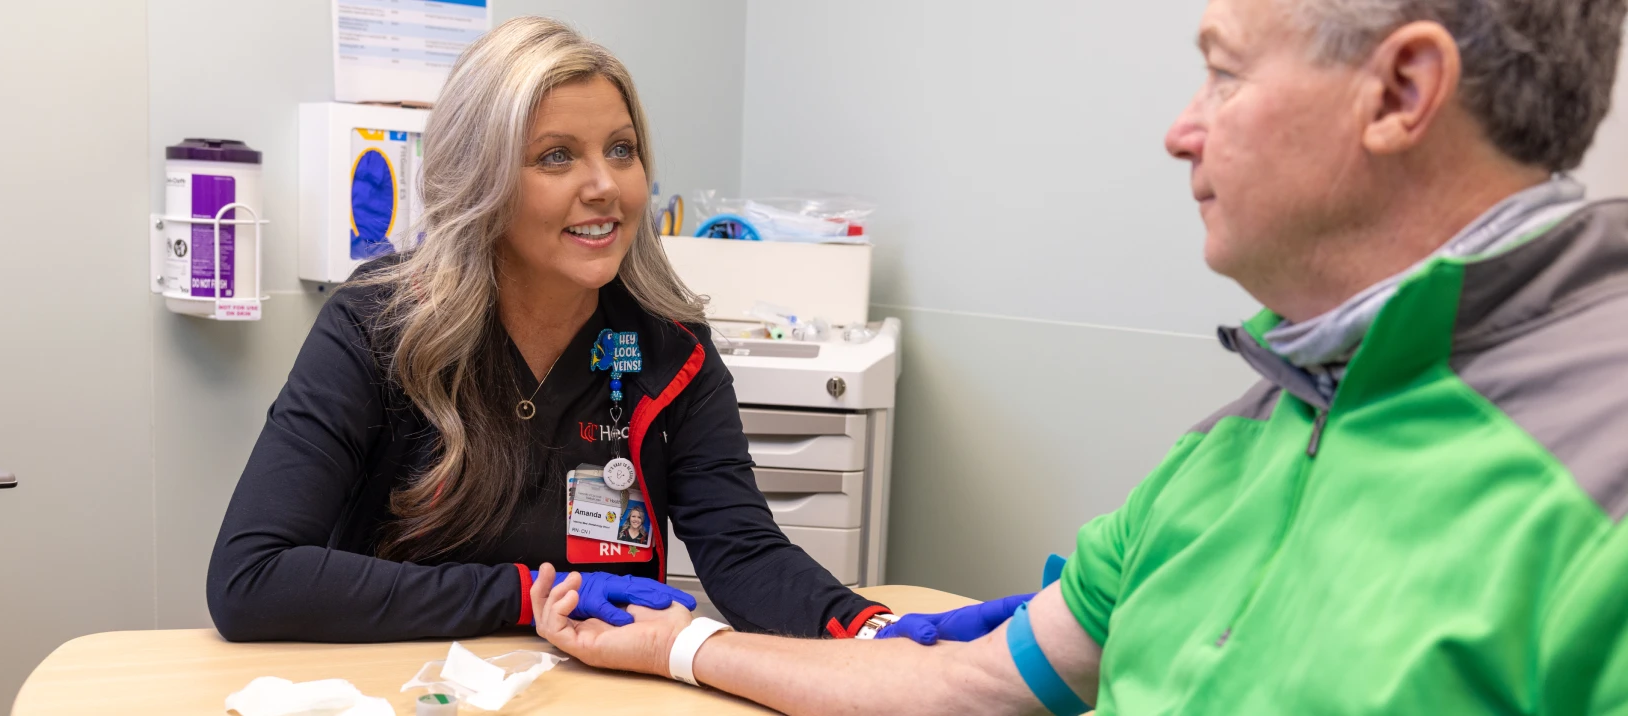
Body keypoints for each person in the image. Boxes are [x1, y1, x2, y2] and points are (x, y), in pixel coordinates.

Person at [526, 0, 1628, 713]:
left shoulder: (1594, 494)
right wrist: (682, 650)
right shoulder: (1245, 438)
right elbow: (968, 677)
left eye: (1225, 75)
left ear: (1399, 93)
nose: (1180, 130)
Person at [205, 17, 889, 643]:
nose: (605, 186)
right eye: (557, 157)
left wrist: (866, 630)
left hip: (594, 687)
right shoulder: (379, 328)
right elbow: (252, 579)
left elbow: (743, 553)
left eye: (621, 150)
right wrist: (528, 594)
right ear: (482, 179)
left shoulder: (670, 350)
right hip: (404, 684)